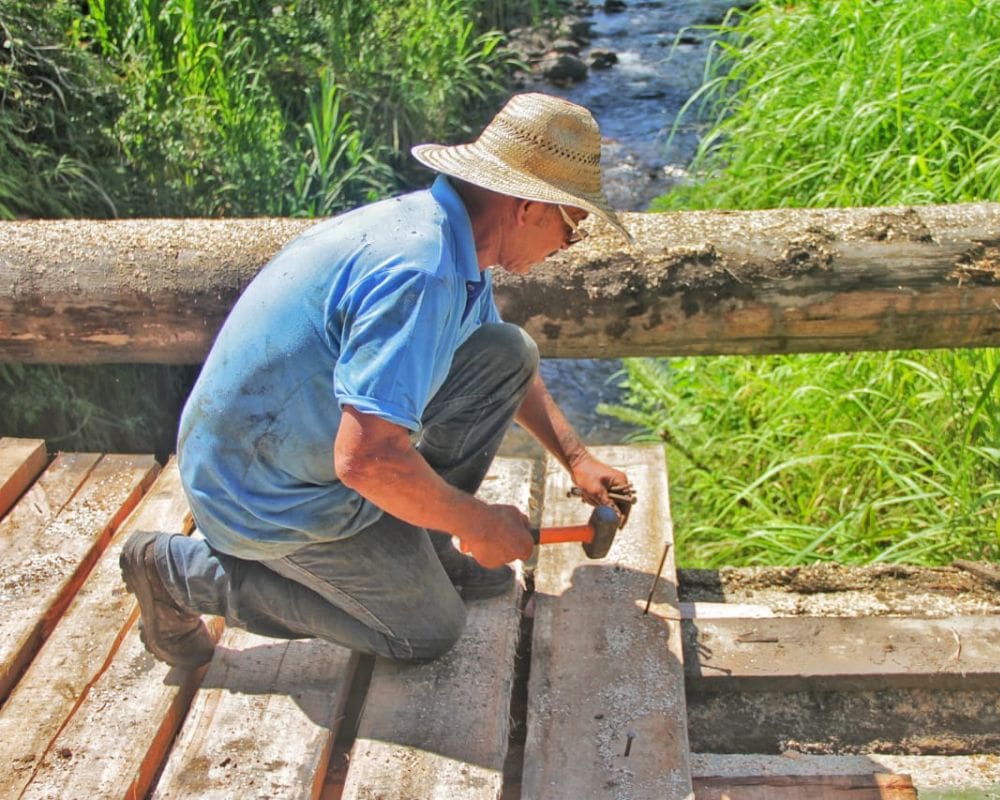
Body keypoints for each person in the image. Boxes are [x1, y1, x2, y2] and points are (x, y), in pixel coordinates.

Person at [120, 93, 634, 669]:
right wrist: (477, 521)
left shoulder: (451, 238)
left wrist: (577, 457)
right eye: (573, 225)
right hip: (263, 493)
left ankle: (425, 549)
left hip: (290, 449)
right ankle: (177, 573)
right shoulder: (420, 273)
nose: (568, 246)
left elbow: (495, 368)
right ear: (527, 207)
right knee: (427, 631)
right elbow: (366, 460)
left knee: (506, 353)